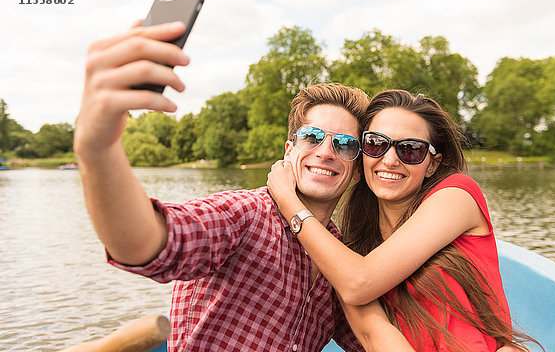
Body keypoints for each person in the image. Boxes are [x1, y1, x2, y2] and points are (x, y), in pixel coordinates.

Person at [74, 20, 379, 351]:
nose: (326, 152)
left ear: (357, 168)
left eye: (346, 144)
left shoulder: (340, 255)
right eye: (312, 137)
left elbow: (370, 339)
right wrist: (98, 149)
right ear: (289, 151)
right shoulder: (245, 214)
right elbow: (144, 243)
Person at [267, 89, 540, 351]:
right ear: (361, 154)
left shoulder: (457, 196)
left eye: (410, 149)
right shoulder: (353, 254)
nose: (390, 160)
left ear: (432, 163)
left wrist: (288, 200)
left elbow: (358, 283)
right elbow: (374, 334)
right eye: (376, 144)